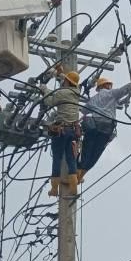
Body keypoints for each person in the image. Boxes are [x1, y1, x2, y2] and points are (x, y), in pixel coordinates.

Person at [78, 72, 131, 183]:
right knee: (96, 153)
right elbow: (126, 88)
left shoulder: (92, 100)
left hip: (92, 126)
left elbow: (82, 111)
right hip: (106, 128)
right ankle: (79, 175)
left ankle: (77, 174)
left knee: (86, 151)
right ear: (104, 86)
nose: (110, 86)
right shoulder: (111, 94)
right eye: (109, 85)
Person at [39, 65, 81, 197]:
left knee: (57, 159)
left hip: (61, 131)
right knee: (70, 159)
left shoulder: (61, 93)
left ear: (68, 82)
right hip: (73, 131)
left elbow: (49, 101)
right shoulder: (77, 92)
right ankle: (74, 187)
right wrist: (60, 74)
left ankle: (54, 189)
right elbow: (68, 82)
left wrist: (44, 89)